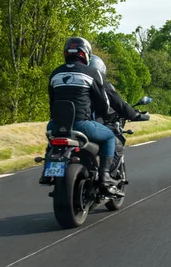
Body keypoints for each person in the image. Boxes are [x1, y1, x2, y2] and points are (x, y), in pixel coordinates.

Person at [39, 37, 118, 188]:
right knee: (109, 137)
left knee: (53, 139)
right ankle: (105, 176)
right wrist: (107, 115)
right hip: (81, 125)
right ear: (86, 53)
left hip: (55, 124)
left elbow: (52, 102)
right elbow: (103, 103)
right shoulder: (92, 72)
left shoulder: (55, 73)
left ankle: (47, 170)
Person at [88, 54, 146, 174]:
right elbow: (119, 104)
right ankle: (106, 176)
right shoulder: (102, 84)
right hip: (91, 126)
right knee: (115, 143)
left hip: (64, 124)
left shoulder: (73, 81)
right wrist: (133, 114)